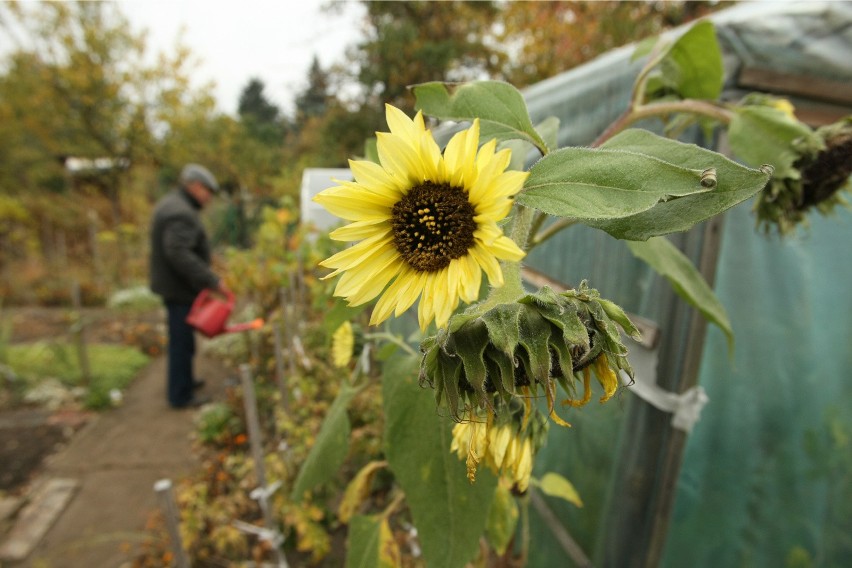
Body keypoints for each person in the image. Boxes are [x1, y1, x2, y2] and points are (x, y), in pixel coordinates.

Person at [149, 163, 229, 409]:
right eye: (208, 191)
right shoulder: (180, 212)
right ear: (194, 186)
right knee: (181, 343)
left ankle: (185, 382)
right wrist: (212, 280)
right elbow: (178, 253)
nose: (209, 198)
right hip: (179, 289)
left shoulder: (173, 204)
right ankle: (180, 395)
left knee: (184, 340)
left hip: (176, 287)